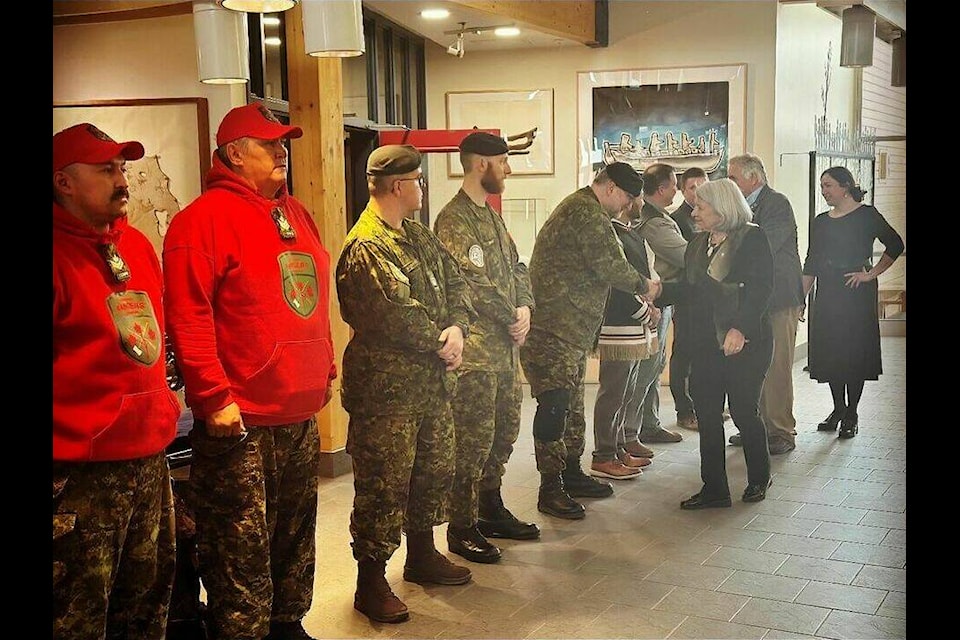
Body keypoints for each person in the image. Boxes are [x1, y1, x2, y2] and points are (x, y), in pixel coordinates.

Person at [163, 103, 338, 640]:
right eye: (269, 144)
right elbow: (188, 317)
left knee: (294, 533)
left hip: (297, 413)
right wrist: (213, 397)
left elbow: (307, 303)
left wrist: (323, 365)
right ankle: (245, 632)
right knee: (240, 544)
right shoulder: (203, 220)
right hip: (241, 419)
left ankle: (288, 622)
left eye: (284, 143)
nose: (282, 152)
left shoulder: (297, 213)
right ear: (234, 153)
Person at [336, 144, 477, 624]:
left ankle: (421, 555)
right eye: (418, 180)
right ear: (398, 187)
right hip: (387, 397)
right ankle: (370, 582)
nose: (422, 187)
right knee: (383, 488)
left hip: (430, 389)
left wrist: (456, 328)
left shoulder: (417, 236)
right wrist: (442, 339)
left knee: (432, 473)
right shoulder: (367, 246)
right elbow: (394, 315)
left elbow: (457, 285)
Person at [53, 123, 180, 639]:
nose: (121, 179)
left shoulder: (137, 246)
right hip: (81, 477)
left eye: (122, 168)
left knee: (147, 609)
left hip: (150, 461)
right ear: (63, 182)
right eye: (105, 169)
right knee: (78, 620)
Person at [520, 162, 660, 520]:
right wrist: (646, 286)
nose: (628, 205)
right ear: (611, 188)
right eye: (628, 197)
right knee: (554, 408)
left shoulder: (585, 208)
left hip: (571, 330)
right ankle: (550, 488)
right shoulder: (586, 213)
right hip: (553, 330)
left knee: (571, 408)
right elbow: (610, 266)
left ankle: (571, 473)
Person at [433, 132, 540, 565]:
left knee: (502, 436)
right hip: (475, 356)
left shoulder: (491, 217)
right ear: (481, 164)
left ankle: (489, 508)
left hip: (504, 355)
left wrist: (525, 304)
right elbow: (471, 283)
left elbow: (516, 264)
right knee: (471, 445)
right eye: (504, 162)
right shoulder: (453, 220)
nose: (508, 170)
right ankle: (461, 527)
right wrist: (511, 315)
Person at [660, 178, 775, 509]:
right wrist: (659, 292)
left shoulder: (752, 238)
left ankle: (758, 477)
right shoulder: (698, 244)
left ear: (722, 208)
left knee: (743, 411)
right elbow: (692, 290)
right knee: (708, 415)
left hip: (745, 342)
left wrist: (739, 328)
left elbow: (760, 289)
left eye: (701, 206)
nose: (694, 212)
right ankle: (714, 489)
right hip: (706, 344)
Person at [802, 166, 904, 438]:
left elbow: (896, 244)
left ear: (845, 186)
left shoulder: (866, 215)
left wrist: (871, 274)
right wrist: (800, 298)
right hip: (829, 291)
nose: (824, 191)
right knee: (832, 351)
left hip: (856, 291)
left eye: (829, 185)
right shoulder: (821, 221)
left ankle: (852, 412)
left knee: (853, 352)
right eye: (822, 186)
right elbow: (811, 262)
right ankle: (838, 407)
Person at [727, 153, 804, 455]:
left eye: (733, 178)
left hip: (779, 298)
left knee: (777, 366)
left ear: (753, 178)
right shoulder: (741, 208)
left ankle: (781, 430)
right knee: (753, 365)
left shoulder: (776, 204)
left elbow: (763, 247)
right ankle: (754, 428)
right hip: (753, 300)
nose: (729, 183)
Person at [590, 192, 659, 480]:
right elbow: (617, 282)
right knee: (613, 392)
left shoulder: (631, 233)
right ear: (628, 201)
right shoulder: (610, 233)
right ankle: (603, 454)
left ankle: (618, 447)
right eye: (640, 198)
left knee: (626, 391)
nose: (643, 203)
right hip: (618, 323)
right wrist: (644, 310)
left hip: (635, 323)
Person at [626, 163, 687, 448]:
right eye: (674, 184)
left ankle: (648, 424)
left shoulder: (650, 217)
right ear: (661, 189)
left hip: (657, 297)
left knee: (654, 362)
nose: (677, 189)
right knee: (649, 366)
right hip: (655, 299)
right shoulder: (655, 223)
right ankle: (631, 430)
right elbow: (685, 256)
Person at [669, 167, 708, 432]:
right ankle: (684, 409)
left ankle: (701, 405)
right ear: (683, 191)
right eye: (692, 187)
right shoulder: (678, 219)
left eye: (702, 186)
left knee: (701, 355)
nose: (698, 192)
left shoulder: (712, 218)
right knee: (682, 354)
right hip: (686, 297)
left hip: (706, 299)